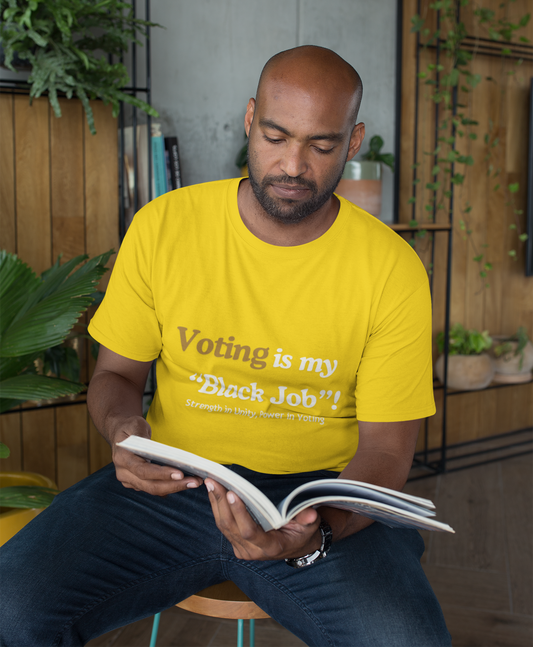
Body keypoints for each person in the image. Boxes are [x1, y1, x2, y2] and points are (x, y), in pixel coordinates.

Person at [0, 45, 451, 647]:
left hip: (313, 501)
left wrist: (314, 534)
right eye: (274, 136)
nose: (292, 165)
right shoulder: (165, 226)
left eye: (320, 145)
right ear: (248, 121)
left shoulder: (392, 268)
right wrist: (121, 431)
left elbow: (388, 454)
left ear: (354, 141)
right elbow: (115, 377)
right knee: (10, 607)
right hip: (174, 483)